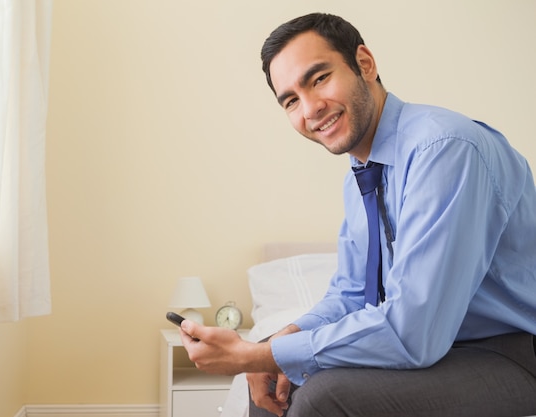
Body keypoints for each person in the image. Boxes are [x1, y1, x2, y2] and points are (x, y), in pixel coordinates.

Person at [178, 12, 536, 417]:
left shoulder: (444, 150)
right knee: (276, 379)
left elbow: (413, 331)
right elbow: (351, 295)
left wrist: (262, 356)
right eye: (291, 100)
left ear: (364, 64)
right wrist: (270, 347)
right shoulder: (362, 177)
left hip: (514, 353)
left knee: (320, 395)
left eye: (319, 79)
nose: (310, 108)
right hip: (449, 349)